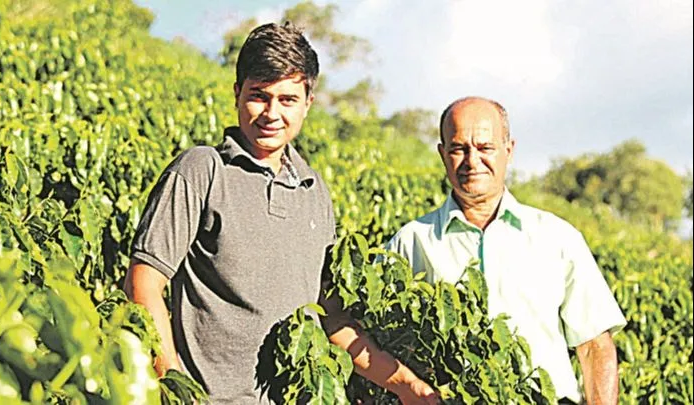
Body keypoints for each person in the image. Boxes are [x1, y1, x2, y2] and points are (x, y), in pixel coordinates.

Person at [124, 22, 438, 404]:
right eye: (259, 96)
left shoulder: (314, 191)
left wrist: (405, 384)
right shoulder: (203, 170)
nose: (271, 113)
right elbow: (144, 285)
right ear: (237, 93)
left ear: (308, 102)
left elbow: (331, 318)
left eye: (288, 99)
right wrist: (174, 390)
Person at [386, 96, 627, 404]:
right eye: (459, 148)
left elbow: (595, 346)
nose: (472, 161)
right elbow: (374, 335)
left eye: (486, 148)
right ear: (443, 153)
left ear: (508, 151)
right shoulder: (412, 241)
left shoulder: (556, 237)